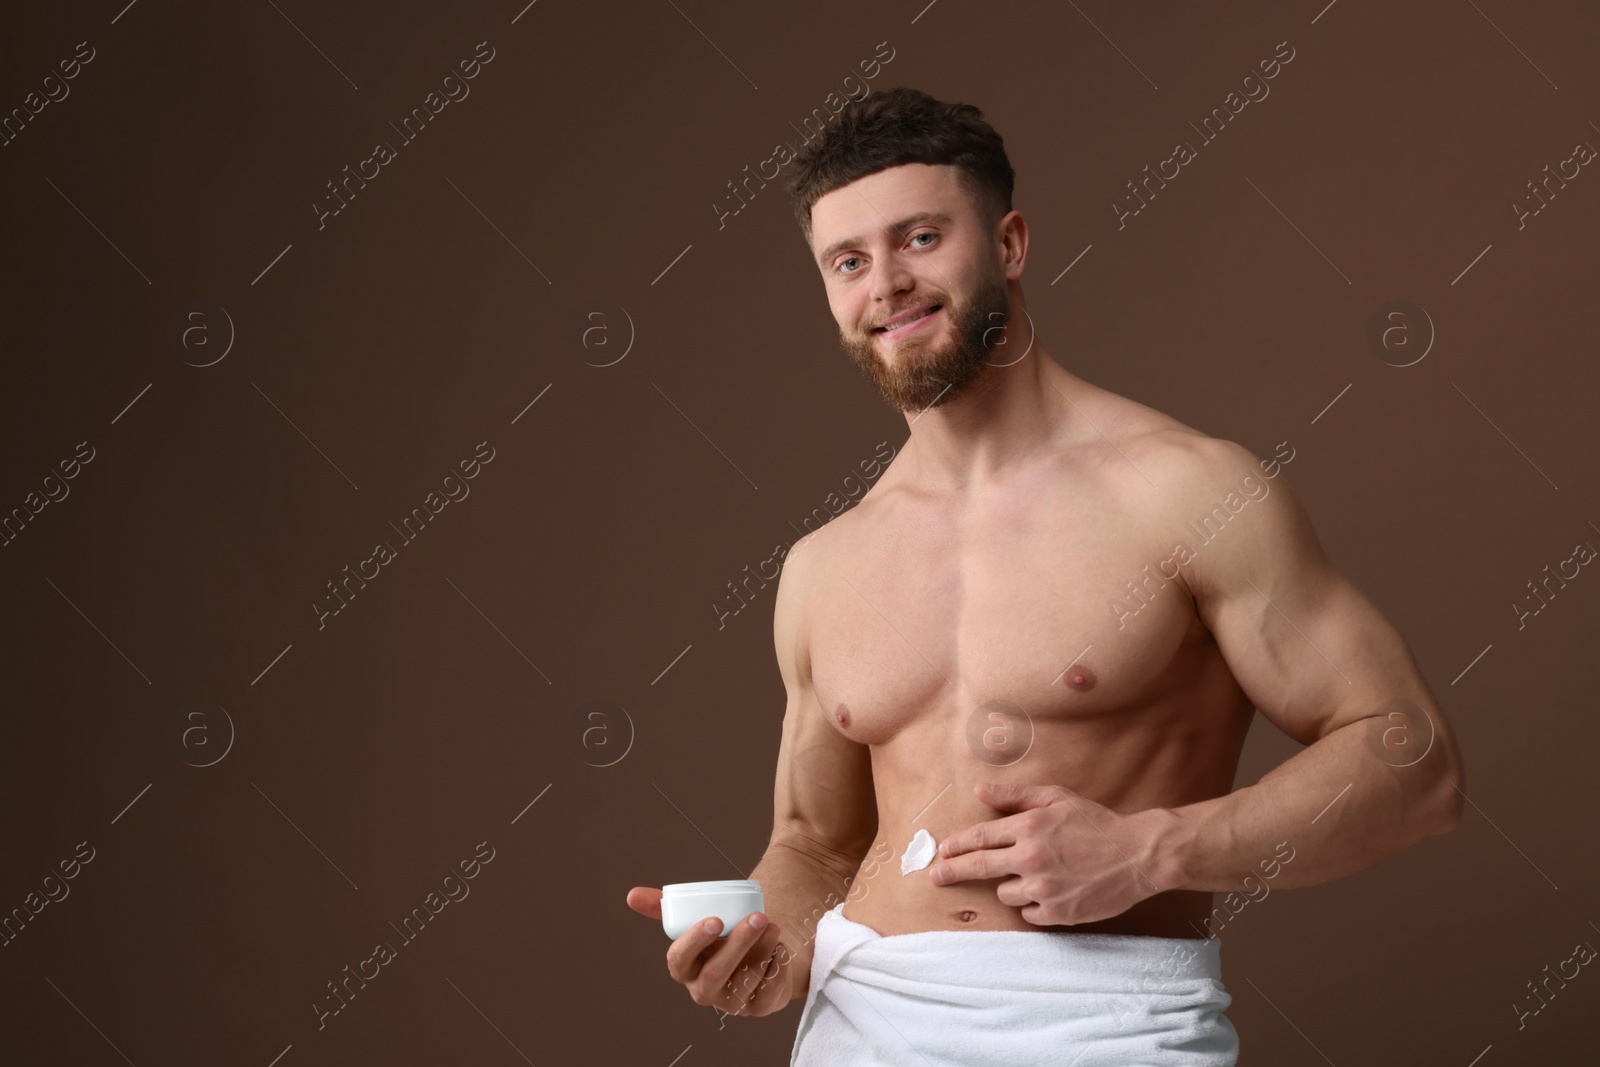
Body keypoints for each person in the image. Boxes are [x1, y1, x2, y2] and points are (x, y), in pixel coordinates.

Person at [627, 86, 1465, 1066]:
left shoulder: (1187, 491)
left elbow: (1415, 762)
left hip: (1106, 1029)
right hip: (860, 1029)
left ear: (1010, 242)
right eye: (847, 261)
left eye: (921, 238)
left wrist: (1154, 848)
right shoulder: (823, 564)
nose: (885, 284)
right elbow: (812, 843)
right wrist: (775, 946)